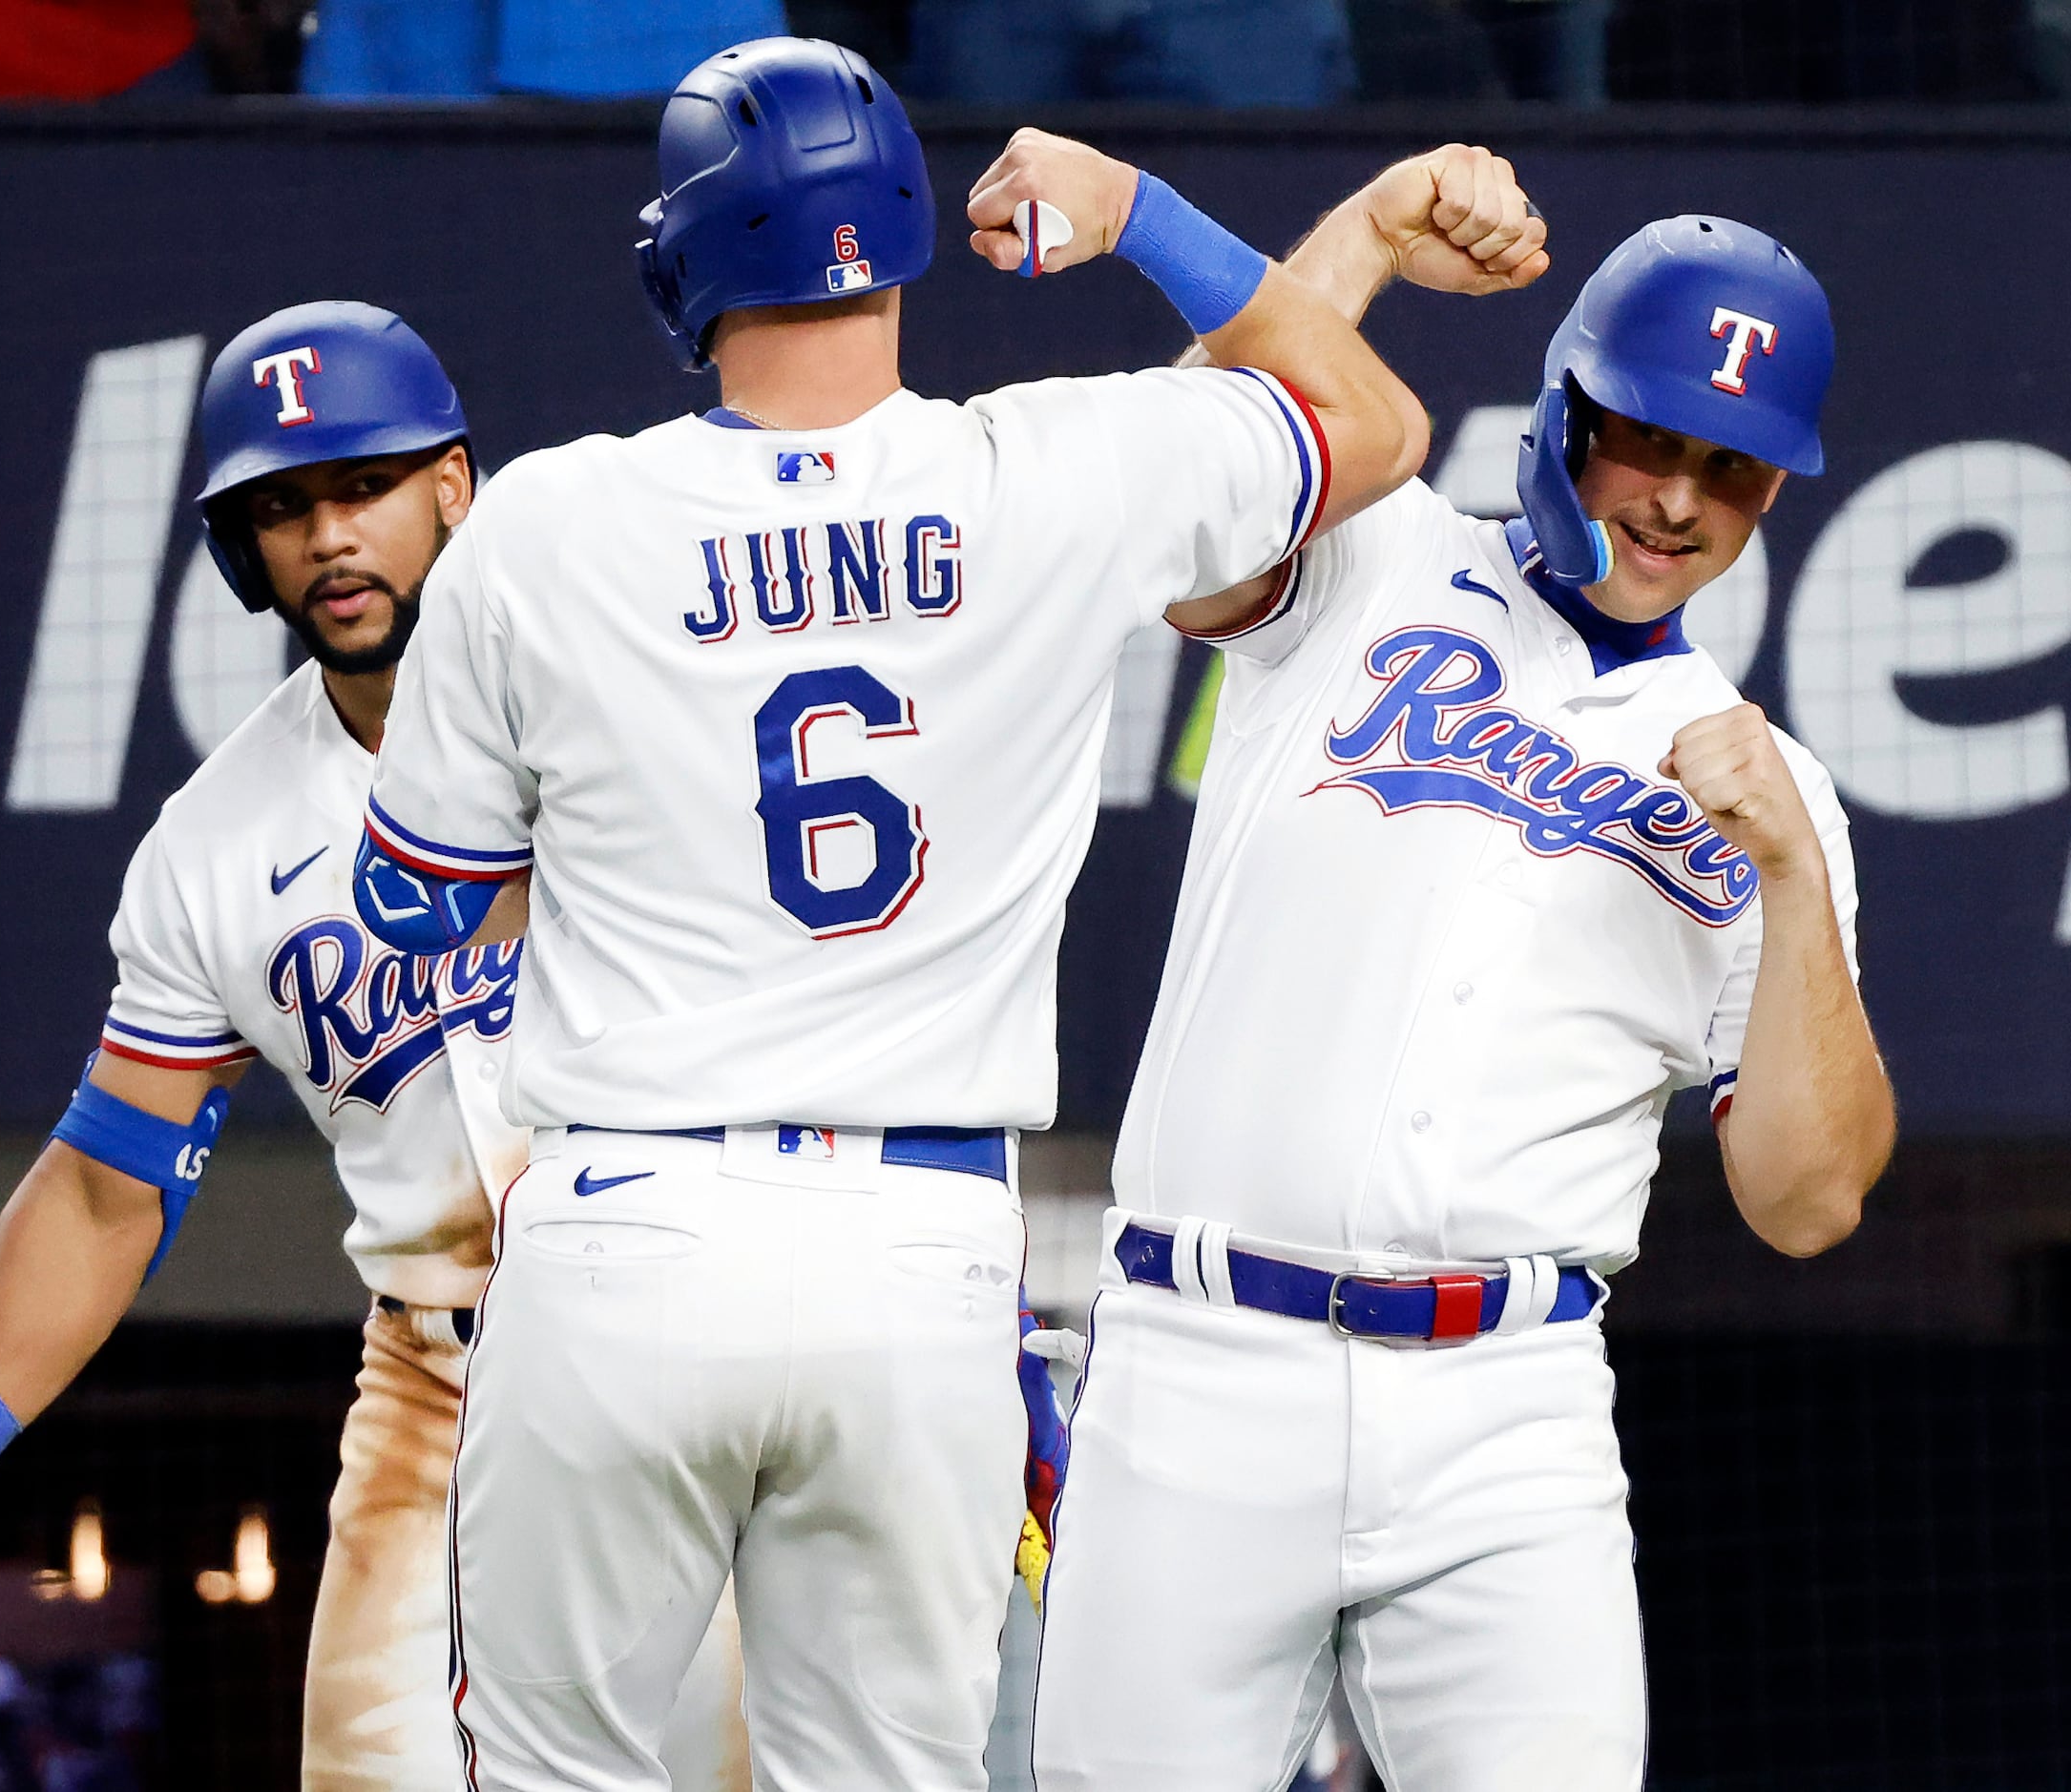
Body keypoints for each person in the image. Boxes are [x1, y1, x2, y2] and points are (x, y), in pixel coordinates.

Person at [345, 34, 1544, 1791]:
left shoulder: (546, 521)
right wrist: (1144, 208)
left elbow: (415, 903)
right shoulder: (1046, 472)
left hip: (629, 1228)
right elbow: (1361, 422)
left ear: (683, 256)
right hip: (921, 1260)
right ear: (904, 228)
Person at [1030, 189, 1896, 1790]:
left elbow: (1811, 1196)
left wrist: (1788, 879)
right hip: (1208, 1365)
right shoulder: (1377, 555)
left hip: (1513, 1406)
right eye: (1652, 440)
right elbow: (1190, 474)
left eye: (1732, 466)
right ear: (1565, 404)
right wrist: (1357, 230)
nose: (1680, 502)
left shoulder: (1780, 796)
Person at [0, 302, 746, 1792]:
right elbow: (105, 1186)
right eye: (282, 506)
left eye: (362, 487)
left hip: (708, 1340)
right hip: (445, 1386)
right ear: (239, 547)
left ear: (456, 482)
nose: (329, 536)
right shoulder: (214, 846)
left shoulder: (644, 685)